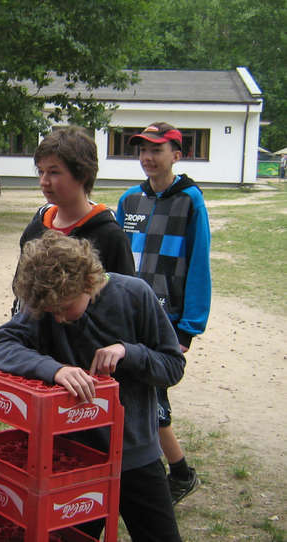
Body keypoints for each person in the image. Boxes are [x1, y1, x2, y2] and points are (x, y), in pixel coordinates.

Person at [0, 230, 186, 542]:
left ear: (88, 282)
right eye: (51, 312)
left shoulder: (135, 295)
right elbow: (3, 345)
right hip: (73, 458)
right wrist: (54, 369)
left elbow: (173, 366)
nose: (58, 319)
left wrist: (129, 352)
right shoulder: (47, 302)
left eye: (65, 307)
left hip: (135, 453)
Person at [116, 122, 211, 505]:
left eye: (156, 150)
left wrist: (188, 329)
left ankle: (179, 473)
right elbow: (118, 261)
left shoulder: (190, 202)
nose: (147, 157)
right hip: (129, 317)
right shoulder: (128, 200)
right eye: (142, 150)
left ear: (177, 154)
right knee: (140, 394)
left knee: (152, 397)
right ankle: (166, 470)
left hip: (165, 322)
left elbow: (199, 266)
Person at [12, 126, 134, 315]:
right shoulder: (36, 228)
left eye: (54, 172)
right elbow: (21, 292)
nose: (44, 181)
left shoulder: (110, 236)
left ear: (82, 175)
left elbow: (125, 303)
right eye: (41, 172)